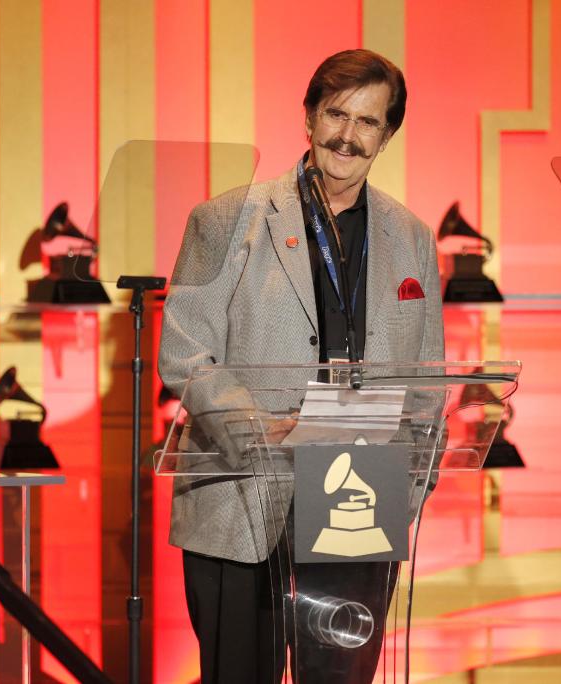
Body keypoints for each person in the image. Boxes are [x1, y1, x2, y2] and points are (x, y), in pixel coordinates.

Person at [158, 48, 444, 683]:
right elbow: (184, 353)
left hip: (361, 488)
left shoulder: (413, 237)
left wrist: (412, 487)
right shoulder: (227, 218)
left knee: (339, 677)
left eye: (368, 121)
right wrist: (256, 427)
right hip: (241, 488)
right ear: (309, 117)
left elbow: (427, 379)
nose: (347, 135)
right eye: (336, 114)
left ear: (388, 133)